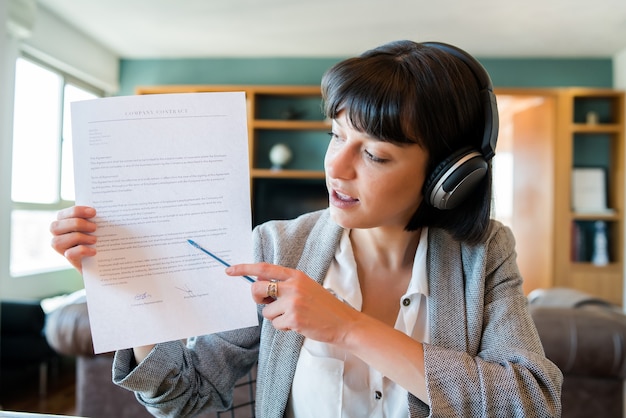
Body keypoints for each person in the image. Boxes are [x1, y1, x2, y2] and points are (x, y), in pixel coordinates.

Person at [50, 40, 562, 417]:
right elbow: (185, 397)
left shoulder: (485, 252)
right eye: (336, 135)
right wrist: (135, 291)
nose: (336, 167)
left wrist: (345, 326)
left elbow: (534, 403)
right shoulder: (277, 246)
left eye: (375, 154)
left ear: (447, 174)